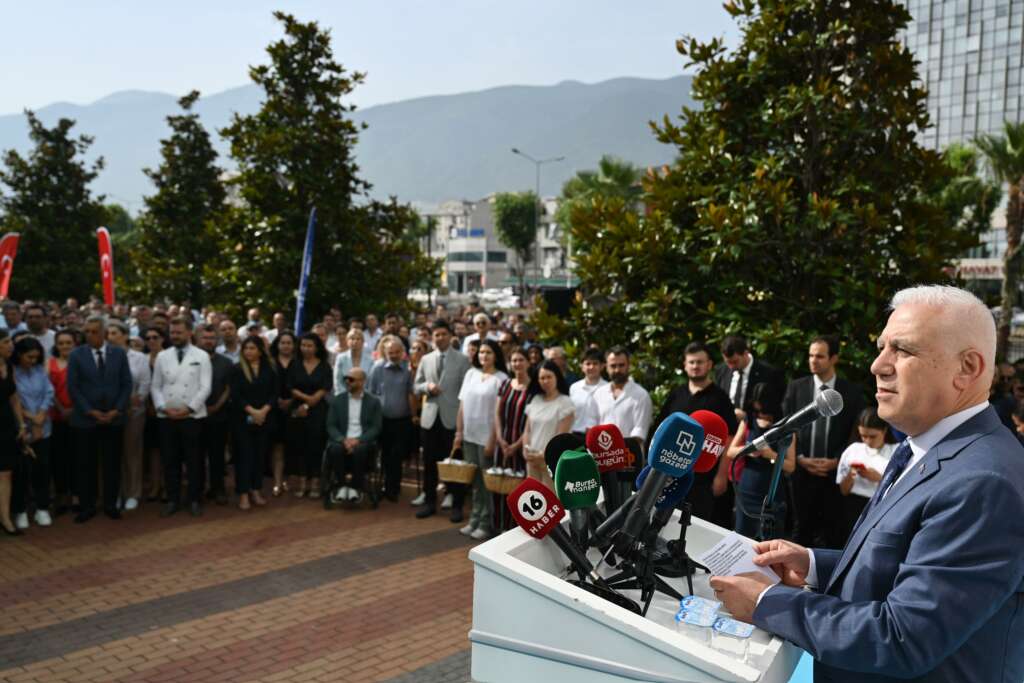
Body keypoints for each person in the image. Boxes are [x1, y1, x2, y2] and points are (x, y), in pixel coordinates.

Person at [711, 285, 1024, 682]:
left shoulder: (984, 481)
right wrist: (813, 565)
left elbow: (903, 637)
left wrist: (766, 602)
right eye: (882, 348)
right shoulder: (923, 447)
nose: (878, 365)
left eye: (903, 350)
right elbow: (904, 563)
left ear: (968, 368)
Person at [784, 335, 865, 549]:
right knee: (801, 530)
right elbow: (787, 426)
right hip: (801, 472)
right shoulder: (796, 388)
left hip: (834, 475)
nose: (813, 360)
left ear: (834, 358)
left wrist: (837, 460)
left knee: (833, 532)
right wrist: (800, 458)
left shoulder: (851, 392)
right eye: (811, 355)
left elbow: (855, 433)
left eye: (819, 356)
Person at [651, 341, 739, 529]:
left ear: (709, 365)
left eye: (700, 362)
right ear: (684, 365)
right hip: (670, 478)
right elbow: (661, 430)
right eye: (691, 362)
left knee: (696, 531)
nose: (695, 366)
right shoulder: (676, 395)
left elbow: (729, 439)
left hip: (703, 484)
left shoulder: (720, 398)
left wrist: (722, 476)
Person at [67, 316, 132, 523]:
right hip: (86, 420)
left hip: (113, 419)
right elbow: (73, 388)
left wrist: (117, 409)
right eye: (87, 331)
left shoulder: (119, 354)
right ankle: (87, 506)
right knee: (86, 464)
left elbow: (126, 384)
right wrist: (90, 411)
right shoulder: (77, 355)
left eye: (94, 331)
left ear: (104, 333)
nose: (90, 335)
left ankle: (110, 504)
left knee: (112, 464)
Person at [150, 316, 212, 518]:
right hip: (167, 417)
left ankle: (194, 499)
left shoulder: (201, 356)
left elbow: (205, 387)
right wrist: (162, 407)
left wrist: (189, 408)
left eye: (178, 332)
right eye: (172, 332)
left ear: (189, 333)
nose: (174, 336)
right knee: (170, 460)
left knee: (194, 461)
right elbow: (156, 386)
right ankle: (173, 499)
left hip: (192, 417)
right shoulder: (162, 356)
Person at [413, 320, 470, 521]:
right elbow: (416, 385)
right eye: (436, 335)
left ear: (450, 335)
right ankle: (429, 502)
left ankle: (456, 504)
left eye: (443, 334)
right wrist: (427, 387)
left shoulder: (463, 360)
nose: (440, 338)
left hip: (452, 418)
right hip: (429, 418)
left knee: (455, 463)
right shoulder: (426, 359)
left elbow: (467, 390)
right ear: (432, 337)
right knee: (430, 463)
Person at [725, 382, 795, 538]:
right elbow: (731, 452)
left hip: (772, 493)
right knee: (741, 538)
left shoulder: (786, 426)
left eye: (763, 408)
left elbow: (791, 466)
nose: (760, 413)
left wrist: (769, 454)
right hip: (747, 490)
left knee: (771, 541)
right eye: (756, 409)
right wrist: (749, 451)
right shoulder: (748, 421)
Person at [453, 339, 508, 540]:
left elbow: (499, 413)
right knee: (474, 481)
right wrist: (458, 433)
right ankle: (474, 518)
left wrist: (493, 439)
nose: (483, 356)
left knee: (486, 483)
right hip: (469, 435)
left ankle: (486, 523)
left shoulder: (501, 378)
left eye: (488, 352)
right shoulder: (470, 374)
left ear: (496, 355)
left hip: (487, 438)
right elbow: (462, 405)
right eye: (481, 352)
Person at [107, 321, 151, 512]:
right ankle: (115, 493)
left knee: (131, 453)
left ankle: (133, 493)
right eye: (108, 333)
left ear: (125, 336)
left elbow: (145, 382)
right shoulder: (105, 355)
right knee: (112, 454)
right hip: (110, 412)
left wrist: (138, 400)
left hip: (133, 412)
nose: (110, 336)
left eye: (114, 333)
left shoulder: (139, 357)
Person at [229, 336, 276, 511]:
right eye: (246, 348)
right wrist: (252, 411)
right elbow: (236, 395)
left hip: (264, 419)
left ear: (260, 350)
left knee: (259, 456)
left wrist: (263, 411)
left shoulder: (269, 369)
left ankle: (256, 489)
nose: (249, 351)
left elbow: (274, 392)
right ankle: (242, 493)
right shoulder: (237, 369)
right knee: (244, 457)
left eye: (252, 348)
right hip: (242, 420)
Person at [368, 338, 417, 502]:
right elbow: (370, 393)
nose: (394, 355)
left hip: (402, 420)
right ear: (385, 353)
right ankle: (382, 486)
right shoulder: (377, 367)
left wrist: (414, 415)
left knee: (396, 455)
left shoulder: (407, 369)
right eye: (391, 353)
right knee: (384, 454)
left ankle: (392, 488)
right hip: (382, 420)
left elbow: (411, 393)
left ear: (403, 352)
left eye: (397, 352)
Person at [12, 337, 54, 529]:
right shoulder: (11, 373)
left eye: (36, 357)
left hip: (43, 426)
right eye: (29, 357)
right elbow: (13, 401)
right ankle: (20, 511)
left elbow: (49, 393)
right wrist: (30, 417)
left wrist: (41, 414)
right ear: (19, 355)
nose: (33, 361)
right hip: (21, 429)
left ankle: (42, 508)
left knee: (42, 469)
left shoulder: (39, 371)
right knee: (21, 473)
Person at [834, 407, 894, 538]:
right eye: (863, 436)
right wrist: (852, 473)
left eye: (872, 436)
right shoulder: (853, 450)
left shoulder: (895, 451)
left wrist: (879, 478)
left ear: (884, 430)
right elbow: (843, 490)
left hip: (880, 505)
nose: (867, 441)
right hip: (852, 505)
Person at [286, 333, 333, 499]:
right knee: (300, 445)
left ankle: (315, 481)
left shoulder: (324, 366)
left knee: (316, 445)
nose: (306, 348)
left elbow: (326, 387)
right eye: (303, 345)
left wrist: (313, 399)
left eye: (309, 346)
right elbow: (290, 386)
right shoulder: (294, 364)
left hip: (319, 410)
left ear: (317, 347)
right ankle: (302, 481)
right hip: (298, 409)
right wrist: (306, 400)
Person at [325, 367, 382, 503]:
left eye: (351, 380)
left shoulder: (373, 402)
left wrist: (358, 440)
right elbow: (330, 425)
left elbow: (376, 427)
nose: (347, 382)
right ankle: (341, 486)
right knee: (335, 449)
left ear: (362, 382)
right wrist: (342, 440)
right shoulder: (338, 400)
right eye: (346, 379)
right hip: (341, 439)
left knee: (361, 449)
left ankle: (356, 487)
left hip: (363, 441)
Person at [522, 360, 575, 489]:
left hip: (552, 462)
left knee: (551, 502)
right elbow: (527, 430)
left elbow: (561, 436)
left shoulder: (565, 403)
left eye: (549, 377)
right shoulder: (535, 399)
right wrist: (525, 450)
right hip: (532, 460)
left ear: (557, 377)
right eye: (542, 378)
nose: (545, 381)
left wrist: (544, 455)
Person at [196, 323, 233, 506]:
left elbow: (228, 388)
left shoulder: (225, 362)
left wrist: (217, 406)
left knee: (217, 455)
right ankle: (199, 489)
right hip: (195, 415)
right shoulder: (191, 360)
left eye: (212, 338)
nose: (208, 341)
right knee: (196, 455)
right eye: (205, 337)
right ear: (198, 339)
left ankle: (218, 489)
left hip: (219, 415)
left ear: (216, 340)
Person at [714, 335, 787, 423]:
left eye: (735, 362)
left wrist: (746, 416)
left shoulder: (769, 373)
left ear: (745, 353)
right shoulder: (721, 371)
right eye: (728, 362)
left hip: (755, 430)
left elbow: (776, 409)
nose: (731, 367)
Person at [592, 346, 653, 443]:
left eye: (621, 365)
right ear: (606, 367)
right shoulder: (598, 394)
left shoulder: (641, 395)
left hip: (630, 454)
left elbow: (639, 433)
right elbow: (593, 428)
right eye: (613, 366)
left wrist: (617, 451)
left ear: (629, 365)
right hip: (602, 455)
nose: (617, 370)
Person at [0, 330, 28, 535]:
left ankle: (5, 518)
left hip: (7, 426)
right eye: (6, 342)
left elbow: (14, 398)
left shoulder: (8, 366)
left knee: (6, 474)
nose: (11, 345)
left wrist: (21, 424)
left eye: (10, 341)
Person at [47, 330, 76, 514]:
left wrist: (73, 410)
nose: (65, 346)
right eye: (61, 343)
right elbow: (48, 389)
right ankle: (61, 496)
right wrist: (61, 409)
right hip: (56, 416)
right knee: (59, 459)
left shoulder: (81, 363)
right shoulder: (48, 364)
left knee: (77, 457)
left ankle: (77, 495)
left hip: (78, 416)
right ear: (56, 345)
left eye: (68, 342)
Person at [495, 347, 532, 479]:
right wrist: (499, 438)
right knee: (500, 481)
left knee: (519, 484)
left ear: (528, 362)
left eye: (521, 360)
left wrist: (516, 445)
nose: (517, 364)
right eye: (514, 360)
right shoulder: (505, 384)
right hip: (502, 441)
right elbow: (497, 413)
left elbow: (532, 421)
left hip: (522, 442)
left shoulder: (534, 389)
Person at [268, 332, 297, 496]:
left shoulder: (298, 362)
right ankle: (277, 482)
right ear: (277, 345)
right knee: (277, 447)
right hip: (275, 408)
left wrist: (291, 400)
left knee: (292, 446)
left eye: (289, 343)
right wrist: (277, 400)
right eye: (283, 343)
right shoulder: (270, 363)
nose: (286, 346)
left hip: (294, 408)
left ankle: (287, 479)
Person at [143, 326, 168, 502]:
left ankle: (168, 485)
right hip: (147, 411)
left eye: (155, 337)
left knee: (168, 449)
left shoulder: (169, 357)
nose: (151, 340)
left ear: (162, 339)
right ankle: (155, 485)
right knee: (153, 451)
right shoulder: (142, 360)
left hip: (167, 410)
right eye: (148, 338)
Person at [568, 347, 606, 435]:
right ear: (582, 366)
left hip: (599, 436)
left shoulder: (608, 388)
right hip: (576, 434)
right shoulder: (574, 387)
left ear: (602, 366)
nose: (591, 367)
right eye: (588, 364)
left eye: (595, 363)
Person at [333, 328, 374, 396]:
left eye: (358, 339)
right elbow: (337, 381)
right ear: (347, 341)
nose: (355, 341)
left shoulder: (370, 360)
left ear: (363, 342)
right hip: (344, 397)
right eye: (352, 338)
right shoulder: (341, 358)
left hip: (365, 397)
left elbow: (371, 383)